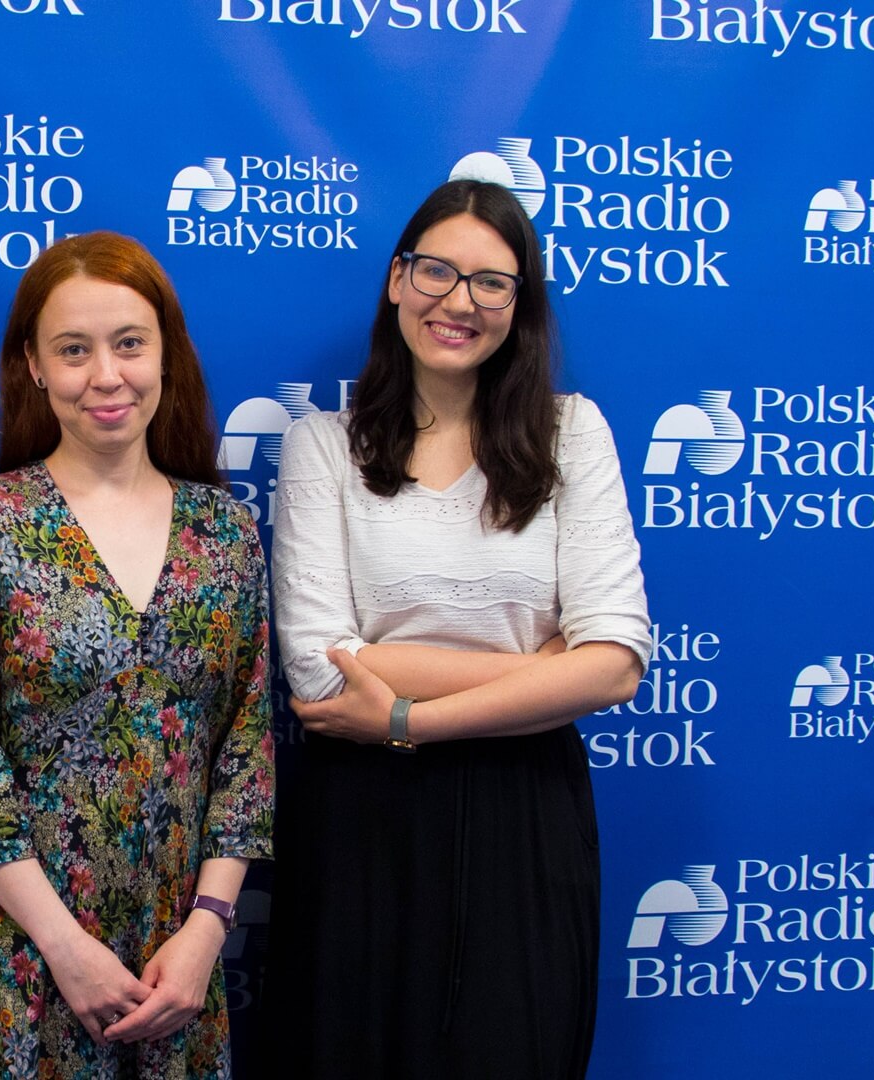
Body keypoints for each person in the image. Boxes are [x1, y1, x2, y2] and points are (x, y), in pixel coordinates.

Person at [266, 179, 651, 1078]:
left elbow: (614, 666)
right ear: (397, 279)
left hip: (525, 815)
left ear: (520, 305)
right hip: (362, 822)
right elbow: (320, 672)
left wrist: (403, 712)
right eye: (437, 271)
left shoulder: (572, 434)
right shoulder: (324, 444)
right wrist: (540, 669)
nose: (459, 301)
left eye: (491, 282)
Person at [0, 232, 275, 1078]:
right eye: (73, 350)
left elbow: (247, 750)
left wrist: (207, 932)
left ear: (166, 355)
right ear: (34, 366)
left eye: (129, 344)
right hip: (20, 957)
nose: (106, 375)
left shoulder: (226, 532)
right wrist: (64, 947)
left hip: (175, 967)